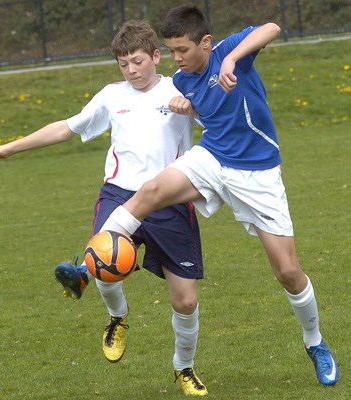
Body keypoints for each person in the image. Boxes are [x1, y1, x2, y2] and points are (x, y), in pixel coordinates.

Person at [98, 5, 339, 388]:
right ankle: (97, 253)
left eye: (182, 50)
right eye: (171, 51)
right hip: (213, 158)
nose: (176, 59)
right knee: (153, 189)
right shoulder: (182, 80)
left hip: (258, 172)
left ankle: (316, 343)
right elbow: (203, 111)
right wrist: (188, 105)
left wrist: (231, 59)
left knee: (288, 272)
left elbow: (273, 26)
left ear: (205, 43)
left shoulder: (231, 53)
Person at [0, 20, 209, 396]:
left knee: (185, 300)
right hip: (119, 195)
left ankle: (183, 368)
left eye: (137, 61)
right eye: (123, 63)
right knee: (106, 266)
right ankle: (117, 316)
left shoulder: (181, 88)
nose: (131, 70)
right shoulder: (111, 96)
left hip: (170, 199)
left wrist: (191, 109)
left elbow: (219, 122)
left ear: (156, 56)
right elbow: (65, 129)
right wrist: (8, 147)